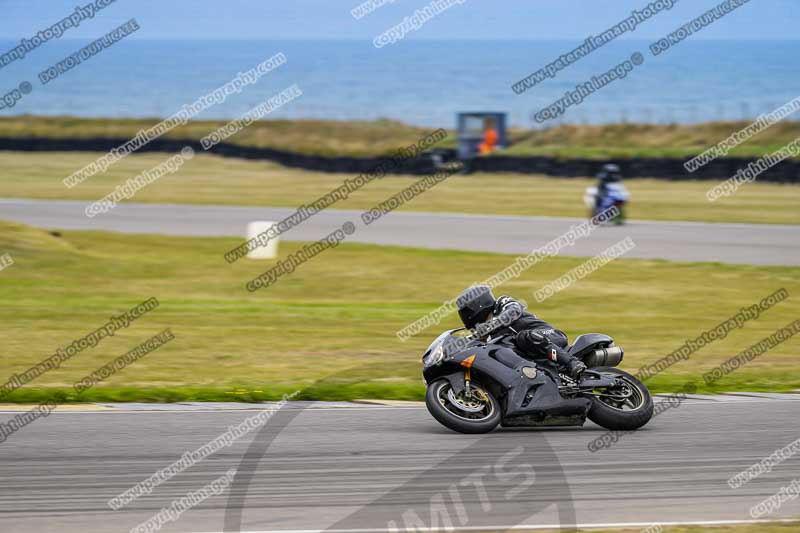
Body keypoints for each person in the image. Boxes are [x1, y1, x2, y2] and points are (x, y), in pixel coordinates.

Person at [456, 285, 587, 379]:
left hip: (549, 335)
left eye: (466, 310)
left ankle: (572, 362)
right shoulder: (486, 335)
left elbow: (514, 310)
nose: (464, 315)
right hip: (533, 355)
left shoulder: (502, 303)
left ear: (477, 304)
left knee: (524, 337)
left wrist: (488, 326)